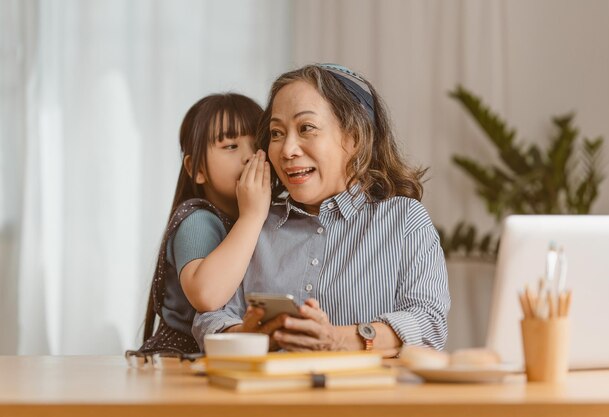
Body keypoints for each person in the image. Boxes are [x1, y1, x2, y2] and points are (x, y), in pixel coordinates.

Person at [193, 64, 449, 357]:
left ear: (354, 137)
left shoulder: (404, 220)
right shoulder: (255, 223)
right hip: (270, 398)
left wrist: (339, 339)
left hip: (367, 400)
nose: (287, 149)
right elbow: (209, 318)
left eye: (306, 128)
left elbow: (429, 323)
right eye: (276, 133)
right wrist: (245, 335)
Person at [138, 93, 270, 355]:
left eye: (258, 144)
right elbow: (206, 296)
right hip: (181, 362)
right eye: (231, 146)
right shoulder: (198, 219)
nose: (248, 156)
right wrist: (252, 216)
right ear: (197, 168)